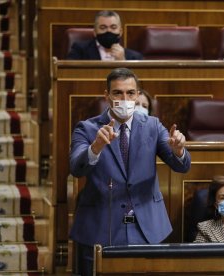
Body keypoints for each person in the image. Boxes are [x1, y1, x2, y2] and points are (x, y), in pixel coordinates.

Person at [69, 67, 191, 275]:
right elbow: (76, 168)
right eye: (118, 93)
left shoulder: (153, 125)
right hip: (100, 227)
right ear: (106, 95)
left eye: (130, 93)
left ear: (137, 95)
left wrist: (179, 150)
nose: (125, 99)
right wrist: (95, 147)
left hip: (147, 227)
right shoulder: (87, 128)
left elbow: (181, 166)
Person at [67, 10, 143, 60]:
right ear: (95, 32)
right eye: (103, 27)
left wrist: (122, 62)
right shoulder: (79, 51)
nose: (108, 31)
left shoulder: (135, 57)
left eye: (113, 27)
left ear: (120, 32)